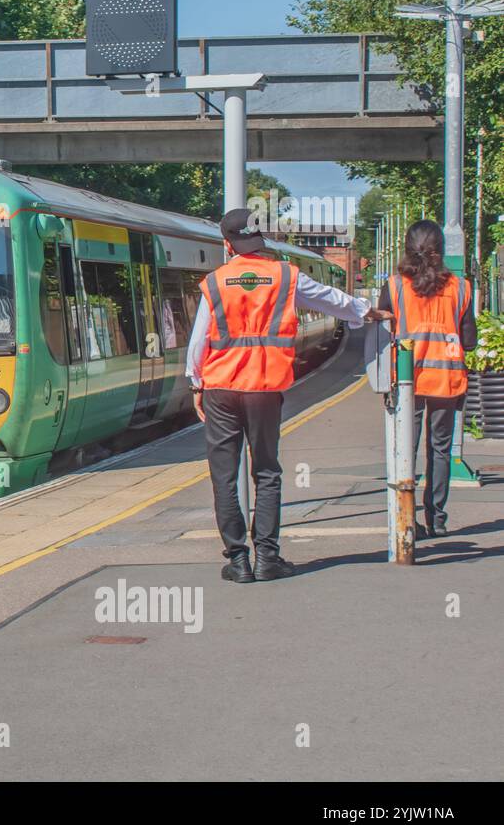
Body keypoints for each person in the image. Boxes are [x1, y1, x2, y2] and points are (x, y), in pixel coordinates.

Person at [186, 208, 393, 583]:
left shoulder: (214, 282)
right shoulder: (285, 276)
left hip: (220, 387)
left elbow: (199, 338)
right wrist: (367, 311)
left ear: (226, 243)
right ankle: (267, 558)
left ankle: (237, 560)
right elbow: (330, 299)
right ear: (259, 240)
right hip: (265, 387)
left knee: (224, 475)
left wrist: (195, 382)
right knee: (266, 471)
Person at [378, 219, 477, 538]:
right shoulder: (461, 288)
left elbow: (382, 332)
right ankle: (437, 518)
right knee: (440, 449)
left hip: (408, 381)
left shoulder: (394, 286)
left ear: (407, 248)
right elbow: (470, 340)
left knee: (405, 449)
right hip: (447, 381)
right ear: (441, 251)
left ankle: (405, 518)